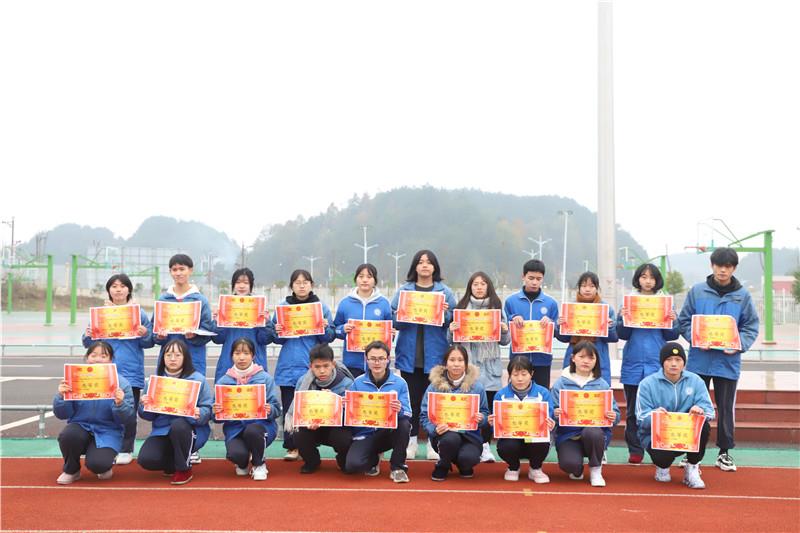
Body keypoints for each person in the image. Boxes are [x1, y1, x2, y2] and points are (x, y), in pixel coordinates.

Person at [678, 247, 759, 472]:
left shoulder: (742, 295)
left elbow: (751, 326)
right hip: (699, 360)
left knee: (725, 408)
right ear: (712, 266)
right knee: (693, 406)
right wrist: (695, 339)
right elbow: (684, 321)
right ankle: (691, 452)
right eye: (719, 265)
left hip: (727, 362)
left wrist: (738, 345)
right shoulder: (697, 291)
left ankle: (724, 452)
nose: (723, 270)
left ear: (734, 268)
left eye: (728, 266)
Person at [391, 250, 457, 460]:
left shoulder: (445, 292)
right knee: (411, 401)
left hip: (436, 357)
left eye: (429, 262)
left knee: (435, 401)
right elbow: (393, 321)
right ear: (415, 267)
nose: (425, 266)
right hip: (409, 357)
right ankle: (410, 442)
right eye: (421, 262)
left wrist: (445, 313)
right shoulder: (404, 291)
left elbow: (455, 322)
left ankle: (432, 443)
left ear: (435, 267)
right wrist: (401, 312)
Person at [81, 273, 154, 465]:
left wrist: (145, 333)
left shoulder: (139, 314)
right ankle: (107, 446)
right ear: (108, 291)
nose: (118, 289)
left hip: (130, 371)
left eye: (122, 286)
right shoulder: (100, 313)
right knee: (106, 409)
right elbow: (88, 344)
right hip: (103, 371)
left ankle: (126, 448)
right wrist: (88, 335)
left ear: (129, 289)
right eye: (114, 286)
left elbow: (149, 342)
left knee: (128, 411)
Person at [153, 253, 214, 465]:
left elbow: (210, 330)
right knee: (167, 400)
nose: (178, 273)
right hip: (168, 361)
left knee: (193, 402)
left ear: (190, 270)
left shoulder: (200, 300)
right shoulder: (163, 299)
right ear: (170, 272)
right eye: (175, 269)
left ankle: (193, 445)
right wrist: (159, 336)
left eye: (182, 269)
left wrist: (195, 335)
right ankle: (166, 443)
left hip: (193, 359)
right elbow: (154, 334)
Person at [616, 263, 680, 464]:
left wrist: (673, 320)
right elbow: (622, 334)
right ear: (638, 279)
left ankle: (657, 447)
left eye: (652, 277)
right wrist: (622, 319)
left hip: (656, 363)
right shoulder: (629, 302)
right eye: (643, 277)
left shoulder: (665, 302)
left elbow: (672, 335)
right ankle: (635, 449)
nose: (648, 281)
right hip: (633, 363)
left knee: (659, 409)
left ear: (657, 280)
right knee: (633, 410)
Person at [272, 269, 336, 461]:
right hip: (289, 365)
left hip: (313, 366)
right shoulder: (283, 308)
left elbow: (330, 337)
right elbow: (276, 338)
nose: (301, 285)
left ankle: (309, 445)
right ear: (292, 285)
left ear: (311, 285)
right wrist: (277, 330)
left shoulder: (321, 308)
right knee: (289, 406)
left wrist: (325, 326)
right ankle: (292, 446)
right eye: (297, 282)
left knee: (312, 407)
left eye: (305, 282)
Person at [449, 270, 511, 463]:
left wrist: (504, 330)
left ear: (488, 287)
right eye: (475, 284)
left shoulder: (496, 308)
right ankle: (467, 443)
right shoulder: (461, 309)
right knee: (468, 407)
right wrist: (451, 330)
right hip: (468, 367)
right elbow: (452, 342)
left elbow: (505, 341)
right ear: (470, 287)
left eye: (483, 284)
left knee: (487, 410)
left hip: (490, 367)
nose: (479, 287)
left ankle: (485, 446)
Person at [636, 342, 715, 489]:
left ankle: (692, 468)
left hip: (685, 434)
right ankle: (662, 466)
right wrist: (655, 416)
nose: (674, 364)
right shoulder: (647, 384)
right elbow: (640, 418)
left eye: (678, 360)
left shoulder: (696, 381)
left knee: (703, 425)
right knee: (663, 459)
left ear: (684, 363)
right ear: (662, 362)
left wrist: (700, 410)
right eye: (669, 359)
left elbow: (710, 411)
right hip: (658, 436)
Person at [53, 341, 134, 484]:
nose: (97, 359)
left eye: (103, 356)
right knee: (68, 435)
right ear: (87, 357)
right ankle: (71, 470)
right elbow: (62, 414)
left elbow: (126, 419)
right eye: (93, 355)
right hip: (80, 426)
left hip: (108, 431)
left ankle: (105, 464)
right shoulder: (74, 380)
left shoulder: (122, 384)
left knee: (98, 464)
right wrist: (61, 396)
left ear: (111, 360)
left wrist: (120, 404)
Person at [137, 339, 213, 485]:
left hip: (190, 430)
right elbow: (147, 416)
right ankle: (173, 462)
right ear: (163, 357)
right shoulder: (154, 382)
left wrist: (200, 413)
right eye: (168, 355)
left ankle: (184, 469)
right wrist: (143, 405)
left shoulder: (198, 379)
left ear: (185, 357)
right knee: (147, 460)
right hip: (162, 430)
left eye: (178, 355)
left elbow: (207, 410)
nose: (173, 359)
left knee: (179, 425)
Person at [550, 340, 620, 487]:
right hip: (569, 435)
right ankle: (577, 468)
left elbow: (616, 413)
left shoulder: (602, 384)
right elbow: (550, 413)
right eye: (581, 357)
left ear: (596, 361)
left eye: (591, 357)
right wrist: (554, 414)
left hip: (594, 433)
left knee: (592, 432)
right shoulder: (560, 384)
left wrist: (613, 416)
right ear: (573, 358)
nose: (586, 361)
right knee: (569, 465)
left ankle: (596, 469)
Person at [213, 338, 281, 481]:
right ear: (231, 356)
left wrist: (270, 409)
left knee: (253, 431)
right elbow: (215, 417)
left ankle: (259, 463)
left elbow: (276, 409)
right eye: (237, 353)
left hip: (261, 427)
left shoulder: (265, 378)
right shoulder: (224, 381)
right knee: (235, 455)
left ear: (253, 356)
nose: (241, 357)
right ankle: (242, 461)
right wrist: (216, 411)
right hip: (235, 430)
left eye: (246, 353)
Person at [344, 340, 412, 483]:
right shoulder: (357, 382)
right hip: (365, 434)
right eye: (373, 359)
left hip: (388, 433)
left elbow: (408, 413)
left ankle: (398, 468)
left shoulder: (400, 383)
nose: (377, 363)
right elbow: (349, 416)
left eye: (381, 358)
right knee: (352, 466)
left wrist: (399, 410)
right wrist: (345, 407)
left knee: (404, 424)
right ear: (366, 360)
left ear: (388, 360)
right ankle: (374, 457)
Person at [420, 345, 489, 481]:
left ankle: (463, 463)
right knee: (451, 439)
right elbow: (424, 416)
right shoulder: (434, 386)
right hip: (444, 436)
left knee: (468, 459)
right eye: (452, 360)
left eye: (460, 360)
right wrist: (434, 429)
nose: (456, 364)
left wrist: (482, 418)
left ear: (466, 363)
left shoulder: (477, 387)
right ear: (445, 363)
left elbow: (485, 413)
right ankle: (443, 465)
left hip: (470, 437)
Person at [284, 344, 354, 474]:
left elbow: (352, 413)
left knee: (343, 438)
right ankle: (312, 461)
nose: (322, 371)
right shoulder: (303, 382)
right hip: (313, 426)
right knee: (299, 433)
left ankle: (342, 459)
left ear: (333, 364)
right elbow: (299, 409)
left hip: (336, 427)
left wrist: (333, 403)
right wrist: (308, 421)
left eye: (326, 366)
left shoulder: (346, 382)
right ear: (310, 366)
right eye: (317, 367)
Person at [489, 356, 555, 483]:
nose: (520, 379)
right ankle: (513, 467)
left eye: (524, 374)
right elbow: (497, 427)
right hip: (512, 438)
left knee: (541, 441)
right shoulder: (500, 395)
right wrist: (493, 424)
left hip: (533, 438)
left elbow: (549, 416)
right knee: (506, 446)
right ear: (509, 375)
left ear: (531, 374)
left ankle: (535, 468)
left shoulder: (543, 393)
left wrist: (550, 423)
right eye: (515, 374)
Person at [211, 267, 274, 383]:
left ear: (251, 286)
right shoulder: (225, 307)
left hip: (255, 362)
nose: (241, 286)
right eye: (238, 282)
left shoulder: (259, 307)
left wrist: (266, 323)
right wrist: (217, 321)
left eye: (246, 283)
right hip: (229, 362)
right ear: (233, 285)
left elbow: (265, 339)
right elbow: (218, 339)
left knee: (254, 393)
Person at [503, 259, 559, 388]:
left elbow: (558, 332)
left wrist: (551, 324)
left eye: (538, 279)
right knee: (516, 395)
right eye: (531, 278)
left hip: (542, 360)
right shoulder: (511, 301)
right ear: (523, 277)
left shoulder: (551, 303)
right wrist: (512, 318)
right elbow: (504, 329)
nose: (534, 282)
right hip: (518, 359)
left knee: (541, 395)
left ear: (543, 279)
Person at [556, 272, 618, 386]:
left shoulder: (606, 309)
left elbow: (613, 338)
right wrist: (560, 326)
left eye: (591, 286)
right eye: (584, 286)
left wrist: (610, 327)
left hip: (598, 356)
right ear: (579, 288)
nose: (587, 289)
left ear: (597, 288)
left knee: (599, 390)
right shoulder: (570, 308)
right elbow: (564, 338)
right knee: (571, 389)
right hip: (575, 355)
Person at [333, 263, 393, 377]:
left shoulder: (384, 303)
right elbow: (335, 329)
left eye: (369, 277)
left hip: (377, 364)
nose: (365, 280)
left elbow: (390, 332)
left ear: (375, 280)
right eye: (361, 276)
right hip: (352, 364)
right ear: (356, 279)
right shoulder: (345, 303)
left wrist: (391, 334)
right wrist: (343, 329)